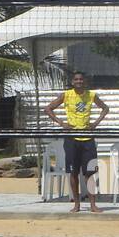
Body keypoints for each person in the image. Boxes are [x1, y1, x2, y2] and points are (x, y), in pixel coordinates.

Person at [44, 71, 110, 213]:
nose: (79, 81)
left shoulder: (91, 95)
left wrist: (95, 123)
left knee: (90, 173)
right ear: (72, 82)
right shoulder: (66, 95)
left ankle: (93, 204)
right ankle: (77, 204)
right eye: (76, 79)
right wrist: (61, 123)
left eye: (81, 79)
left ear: (84, 81)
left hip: (87, 138)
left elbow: (105, 108)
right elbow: (48, 108)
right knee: (73, 172)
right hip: (72, 138)